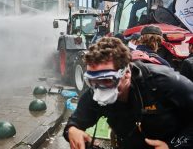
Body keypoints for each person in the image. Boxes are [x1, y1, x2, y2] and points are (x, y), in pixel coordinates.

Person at [63, 37, 193, 149]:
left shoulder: (165, 82)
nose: (100, 89)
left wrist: (173, 146)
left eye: (107, 80)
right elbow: (75, 121)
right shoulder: (96, 91)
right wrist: (72, 130)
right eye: (92, 81)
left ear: (127, 73)